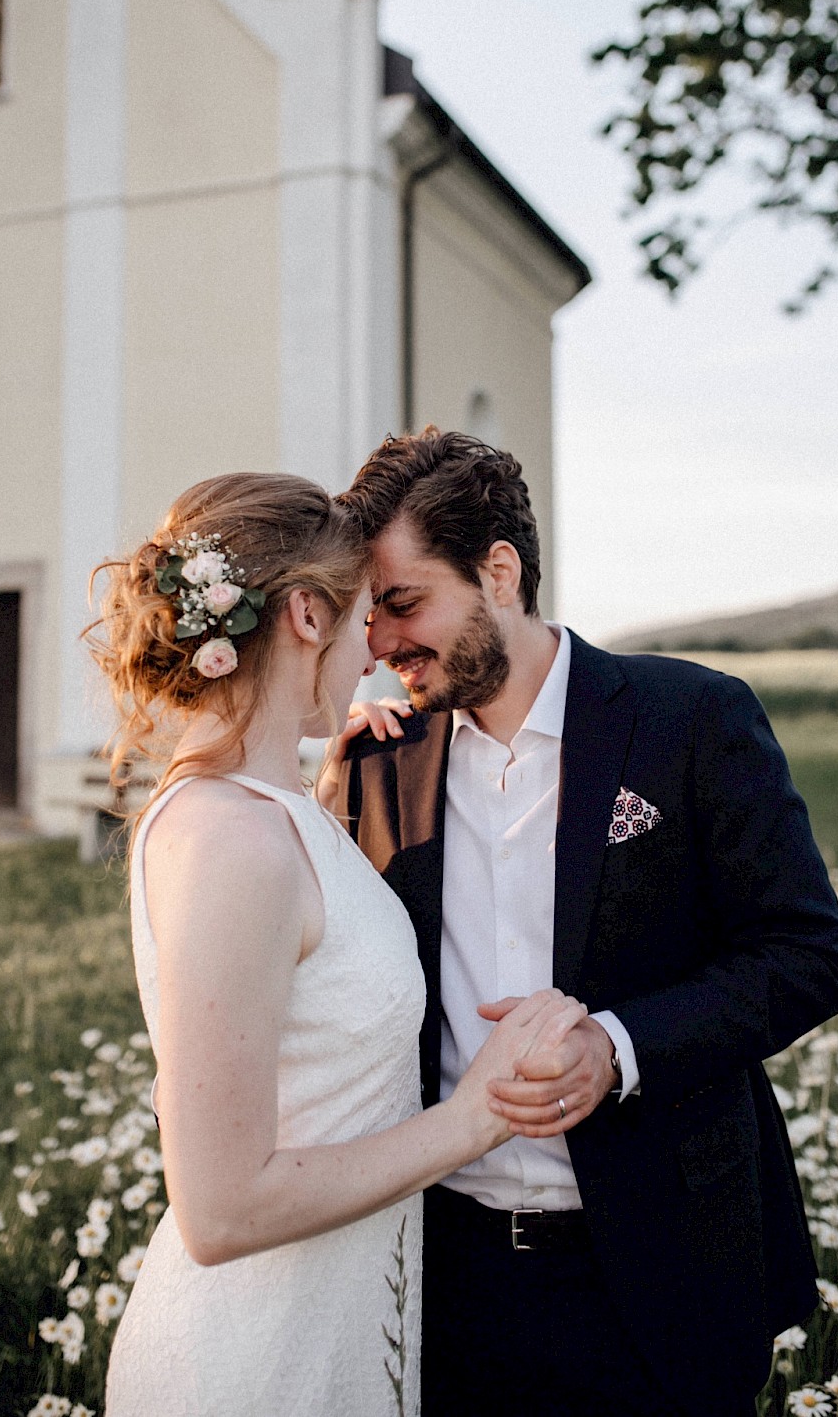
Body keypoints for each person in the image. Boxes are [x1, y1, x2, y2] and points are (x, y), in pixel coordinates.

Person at [322, 428, 838, 1417]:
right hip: (451, 1285)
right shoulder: (374, 764)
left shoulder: (689, 717)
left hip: (668, 1270)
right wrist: (320, 803)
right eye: (369, 615)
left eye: (402, 602)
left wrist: (617, 1047)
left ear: (499, 571)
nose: (380, 644)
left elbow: (808, 955)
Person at [88, 471, 586, 1417]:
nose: (379, 647)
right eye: (368, 611)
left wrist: (337, 784)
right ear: (309, 614)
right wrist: (478, 1117)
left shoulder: (290, 811)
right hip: (255, 1360)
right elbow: (221, 1208)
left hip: (350, 1327)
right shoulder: (230, 837)